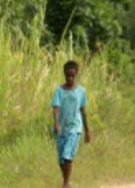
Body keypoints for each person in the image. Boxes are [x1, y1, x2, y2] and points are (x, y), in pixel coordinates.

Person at [52, 60, 91, 188]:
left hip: (75, 128)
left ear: (76, 74)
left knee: (67, 156)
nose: (70, 78)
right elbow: (56, 108)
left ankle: (66, 183)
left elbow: (83, 111)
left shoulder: (81, 91)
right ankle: (66, 181)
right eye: (67, 76)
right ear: (64, 74)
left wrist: (87, 131)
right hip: (61, 129)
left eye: (72, 76)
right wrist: (56, 123)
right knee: (61, 160)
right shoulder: (59, 90)